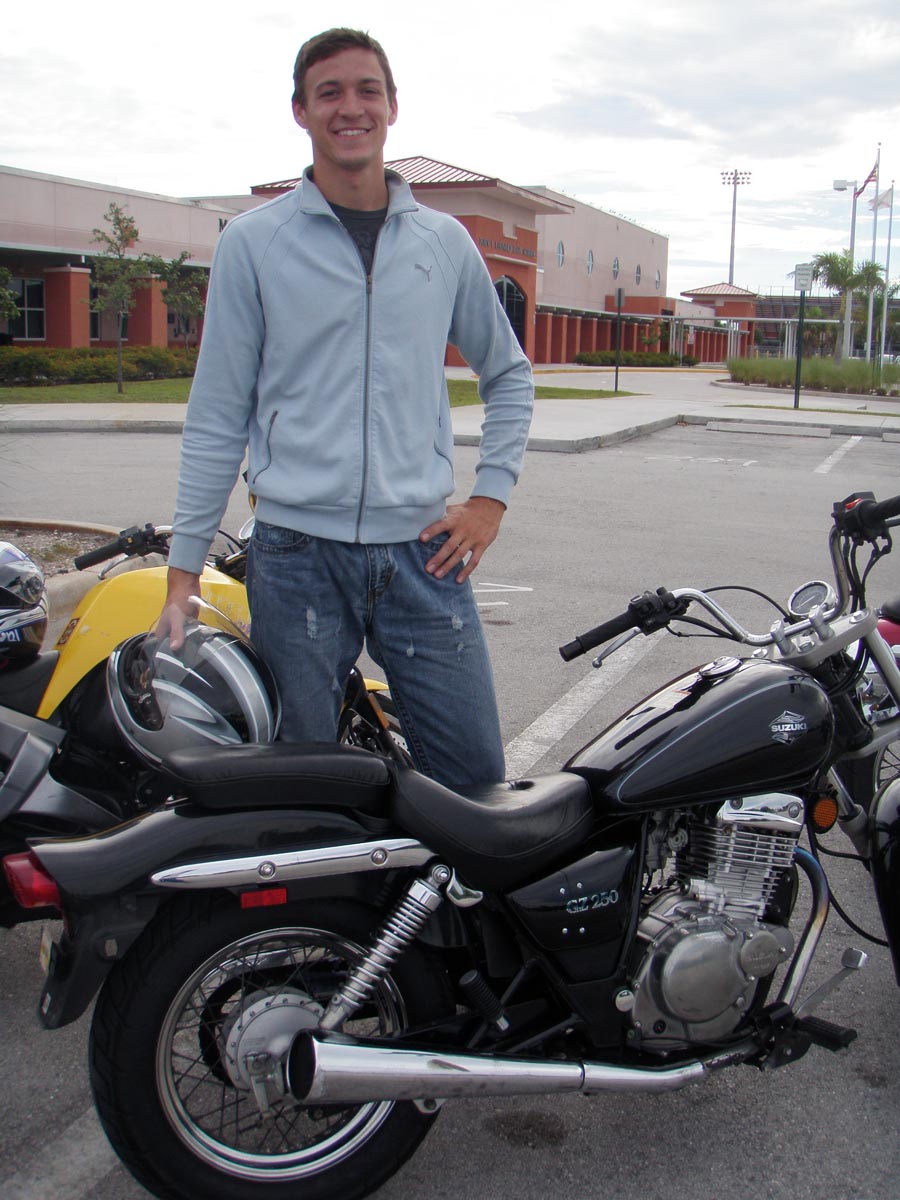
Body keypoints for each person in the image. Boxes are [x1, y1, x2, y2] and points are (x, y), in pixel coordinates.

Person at [159, 27, 533, 789]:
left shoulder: (444, 243)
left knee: (475, 783)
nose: (350, 107)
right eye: (329, 93)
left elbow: (509, 374)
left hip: (423, 553)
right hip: (295, 557)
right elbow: (217, 414)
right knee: (301, 789)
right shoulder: (254, 244)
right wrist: (183, 572)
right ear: (301, 111)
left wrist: (490, 499)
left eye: (367, 90)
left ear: (393, 106)